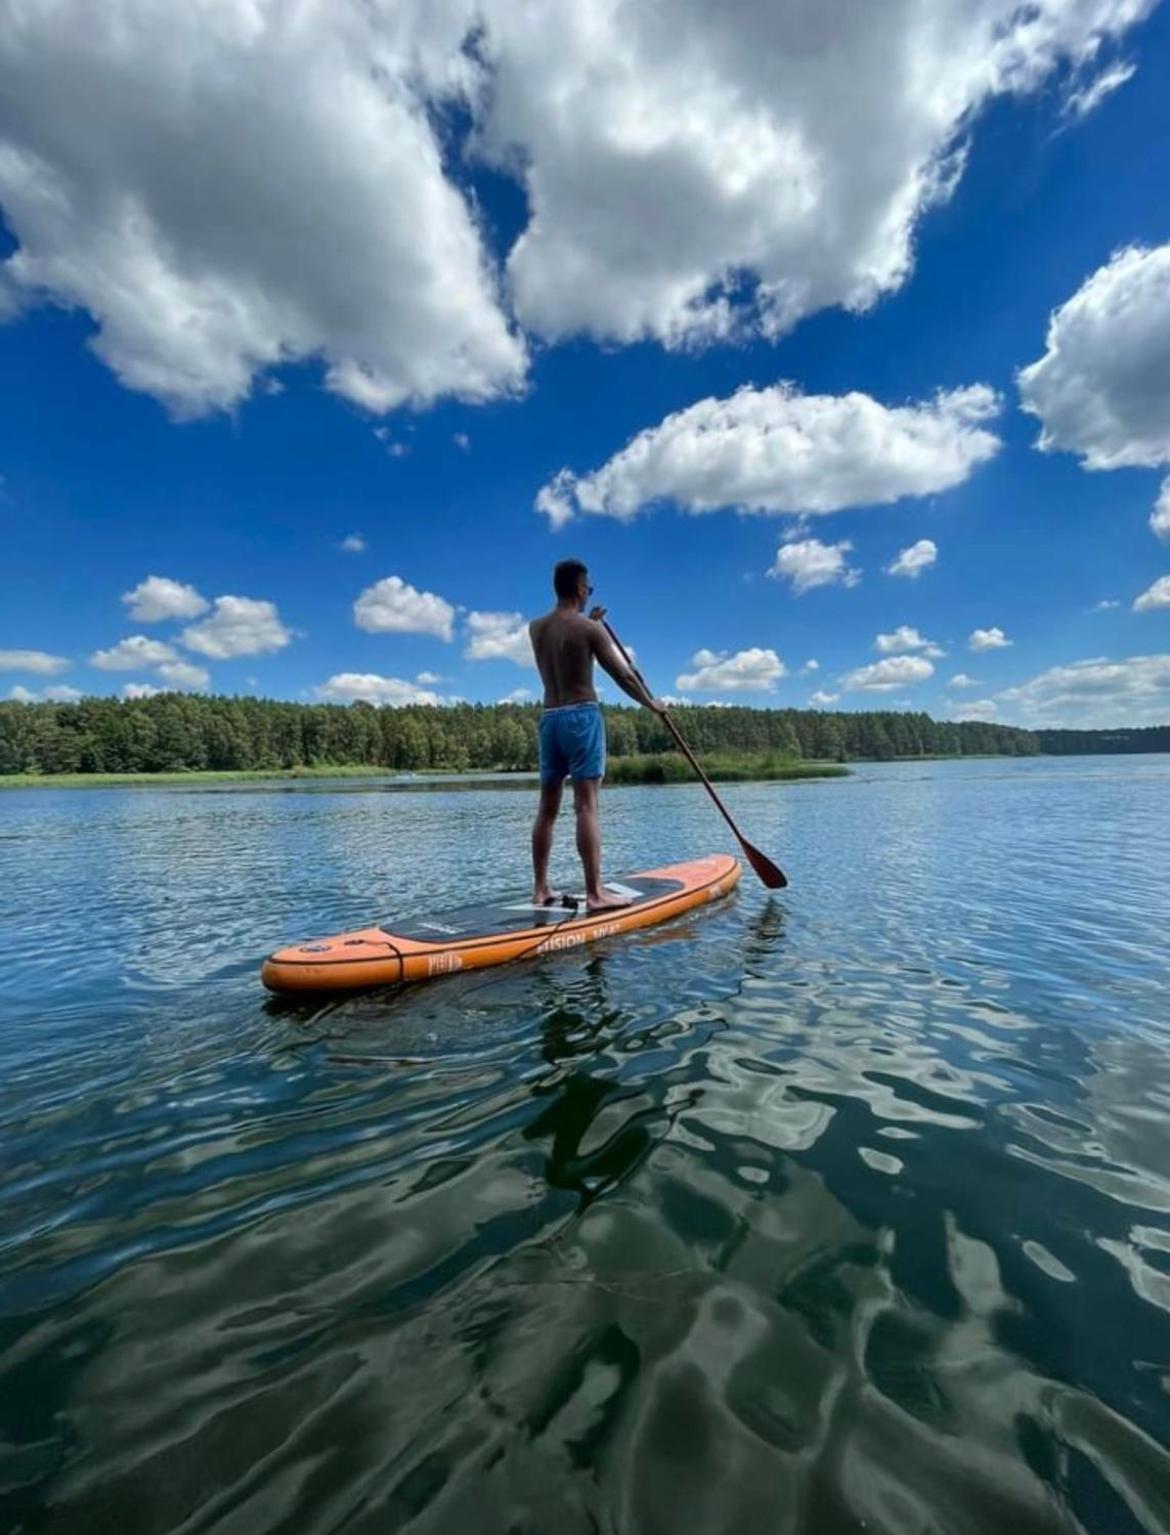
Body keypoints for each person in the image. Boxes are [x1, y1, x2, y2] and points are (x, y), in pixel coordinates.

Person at [529, 559, 666, 912]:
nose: (589, 593)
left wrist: (591, 623)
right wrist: (651, 704)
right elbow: (624, 676)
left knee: (547, 809)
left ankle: (540, 889)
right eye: (588, 589)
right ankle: (595, 893)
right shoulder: (589, 631)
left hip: (549, 719)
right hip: (581, 717)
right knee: (586, 806)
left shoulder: (537, 628)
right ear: (579, 588)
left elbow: (566, 641)